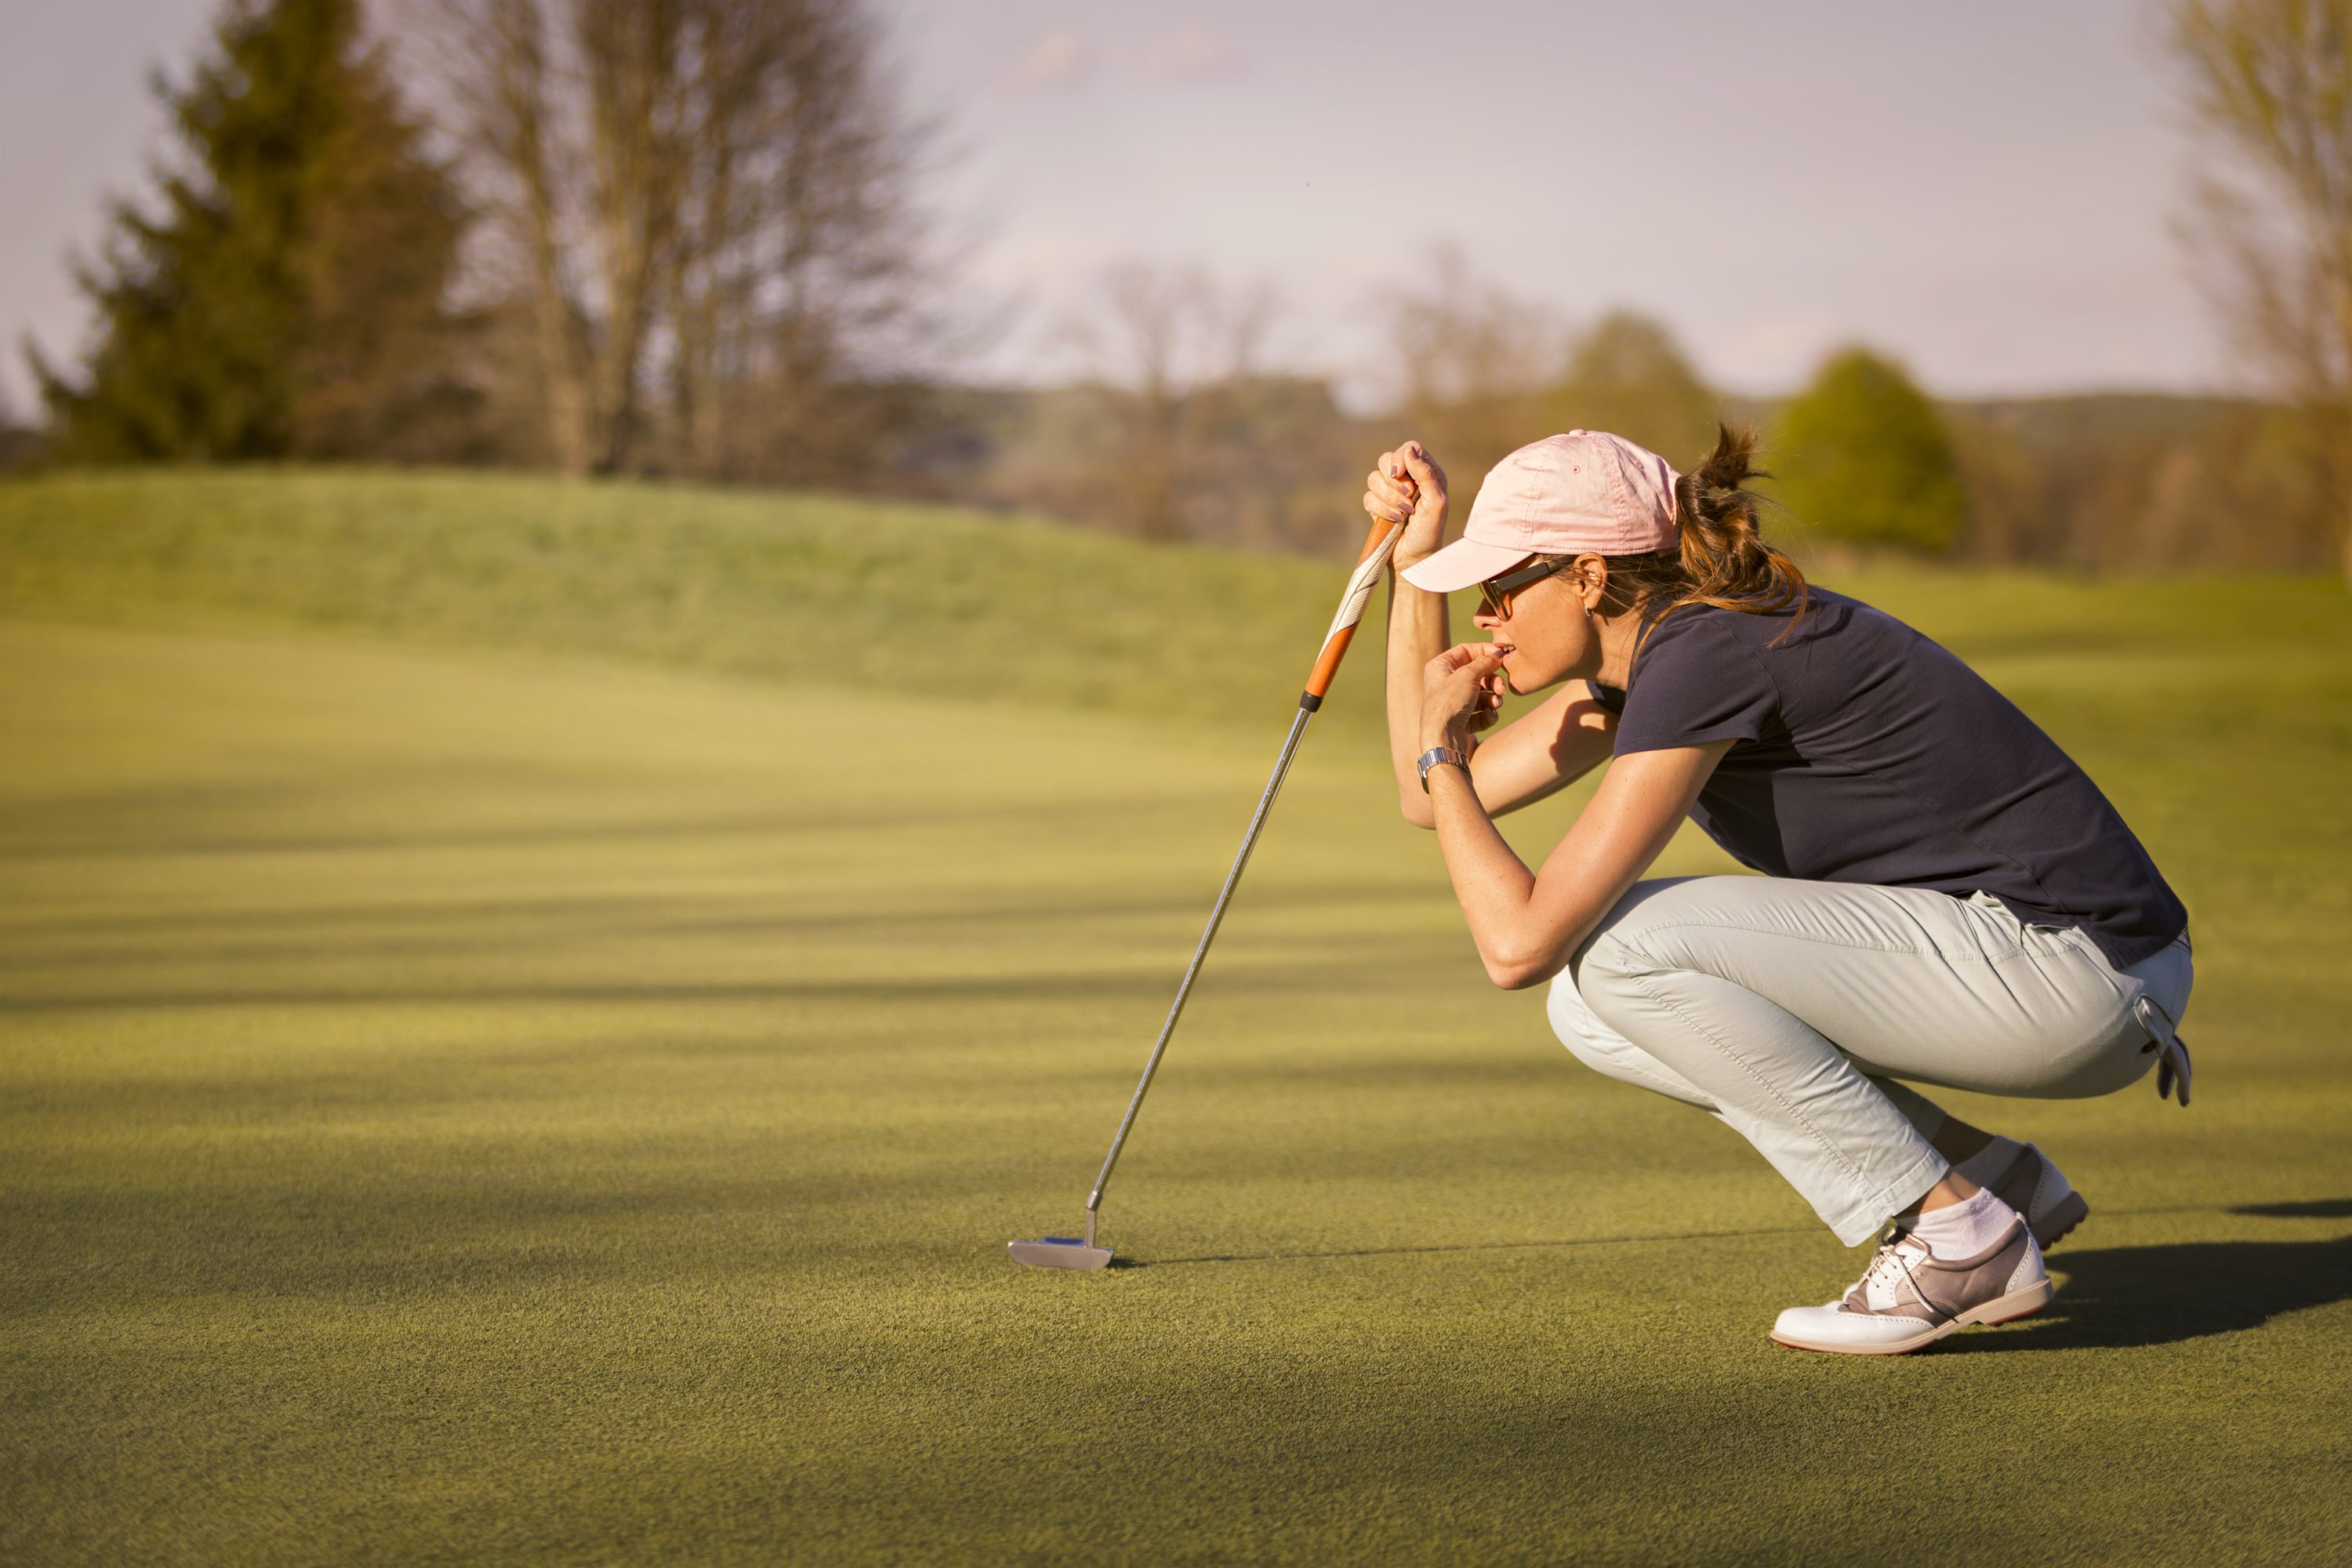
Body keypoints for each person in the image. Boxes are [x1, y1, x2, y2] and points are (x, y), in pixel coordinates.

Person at [1363, 426, 2193, 1356]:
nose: (1487, 615)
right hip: (2053, 968)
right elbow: (1423, 794)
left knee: (1619, 949)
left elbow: (1516, 941)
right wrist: (1415, 562)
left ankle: (1959, 1236)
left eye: (1502, 588)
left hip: (2076, 972)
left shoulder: (1705, 652)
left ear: (1590, 577)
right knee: (1590, 1008)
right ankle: (1984, 1172)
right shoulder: (1654, 659)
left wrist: (1446, 747)